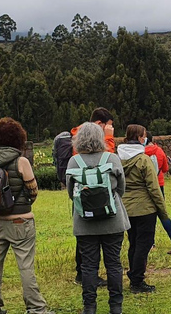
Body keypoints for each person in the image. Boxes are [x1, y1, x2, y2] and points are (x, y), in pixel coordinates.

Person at [0, 117, 53, 314]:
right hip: (21, 220)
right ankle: (36, 308)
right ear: (18, 138)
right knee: (26, 267)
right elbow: (33, 191)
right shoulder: (21, 161)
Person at [67, 122, 130, 314]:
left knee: (88, 266)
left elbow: (71, 193)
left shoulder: (74, 162)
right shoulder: (112, 158)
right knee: (113, 264)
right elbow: (121, 189)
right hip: (112, 220)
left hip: (85, 223)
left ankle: (90, 306)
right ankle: (116, 306)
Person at [117, 124, 169, 293]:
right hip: (145, 209)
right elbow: (154, 188)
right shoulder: (143, 159)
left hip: (126, 207)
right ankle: (137, 280)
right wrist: (162, 210)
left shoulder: (117, 158)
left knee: (133, 242)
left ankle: (133, 274)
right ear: (140, 138)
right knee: (144, 244)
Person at [143, 133, 171, 243]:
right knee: (162, 213)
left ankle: (150, 243)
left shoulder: (140, 153)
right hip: (159, 184)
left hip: (145, 186)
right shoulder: (159, 151)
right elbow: (165, 168)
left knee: (147, 215)